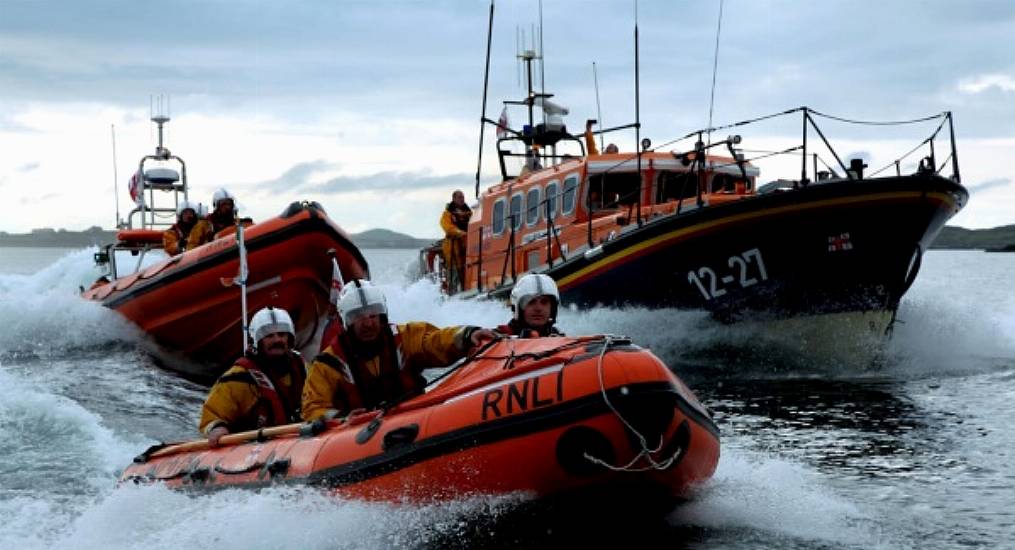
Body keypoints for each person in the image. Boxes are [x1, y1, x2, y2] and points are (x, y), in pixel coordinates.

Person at [301, 280, 496, 421]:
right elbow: (313, 408)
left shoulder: (405, 337)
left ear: (382, 315)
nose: (368, 323)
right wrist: (342, 419)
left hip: (414, 419)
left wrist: (466, 335)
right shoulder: (328, 363)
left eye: (373, 314)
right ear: (346, 322)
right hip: (355, 436)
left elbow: (435, 341)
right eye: (357, 316)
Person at [198, 307, 307, 446]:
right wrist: (217, 428)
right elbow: (212, 415)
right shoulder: (239, 378)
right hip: (252, 447)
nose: (277, 340)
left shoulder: (301, 368)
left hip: (295, 441)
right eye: (269, 336)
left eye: (282, 334)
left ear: (290, 338)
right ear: (257, 341)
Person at [497, 273, 564, 338]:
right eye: (531, 302)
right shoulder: (501, 335)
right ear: (518, 308)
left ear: (552, 309)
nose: (538, 308)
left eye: (544, 302)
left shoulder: (557, 335)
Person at [439, 190, 472, 293]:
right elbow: (448, 228)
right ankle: (453, 293)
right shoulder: (447, 214)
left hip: (468, 246)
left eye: (463, 197)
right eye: (459, 197)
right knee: (454, 272)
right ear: (454, 199)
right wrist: (461, 233)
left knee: (467, 270)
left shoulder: (469, 213)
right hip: (453, 247)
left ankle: (466, 290)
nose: (462, 199)